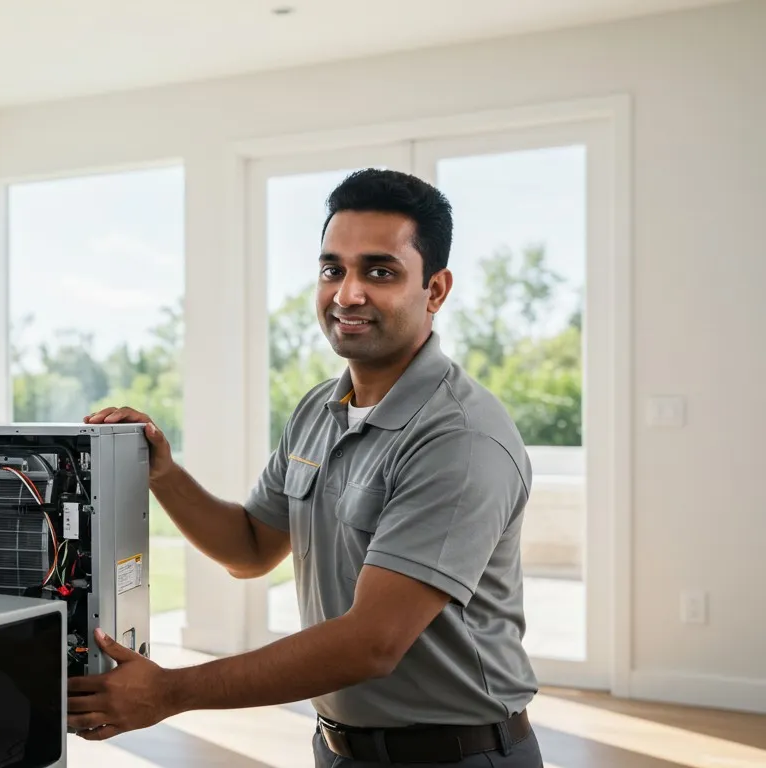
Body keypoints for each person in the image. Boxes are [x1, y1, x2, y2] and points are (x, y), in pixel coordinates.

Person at [68, 169, 544, 766]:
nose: (347, 294)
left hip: (456, 755)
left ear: (436, 289)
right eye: (332, 269)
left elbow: (372, 642)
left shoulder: (459, 437)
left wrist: (170, 691)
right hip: (339, 749)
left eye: (380, 271)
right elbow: (249, 549)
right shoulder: (322, 408)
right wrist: (162, 472)